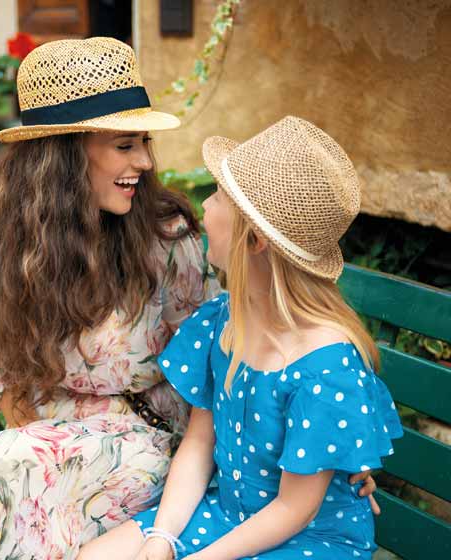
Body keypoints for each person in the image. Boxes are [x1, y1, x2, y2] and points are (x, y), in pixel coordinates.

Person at [0, 37, 378, 560]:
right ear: (64, 155)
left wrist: (333, 454)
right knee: (19, 466)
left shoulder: (167, 237)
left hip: (146, 434)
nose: (144, 161)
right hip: (37, 431)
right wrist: (28, 423)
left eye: (144, 142)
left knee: (14, 467)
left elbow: (234, 365)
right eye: (125, 145)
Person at [77, 116, 403, 560]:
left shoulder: (326, 369)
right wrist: (163, 539)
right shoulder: (225, 321)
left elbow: (293, 509)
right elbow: (200, 441)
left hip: (307, 539)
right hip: (231, 512)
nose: (205, 206)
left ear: (254, 242)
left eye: (218, 196)